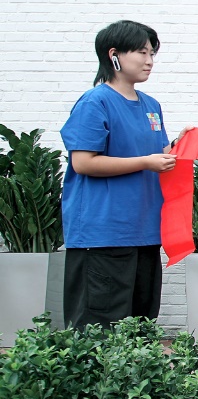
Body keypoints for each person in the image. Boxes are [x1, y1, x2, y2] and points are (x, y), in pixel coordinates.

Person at [61, 20, 184, 330]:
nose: (149, 61)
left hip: (143, 232)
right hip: (102, 235)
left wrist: (176, 148)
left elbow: (153, 154)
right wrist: (145, 161)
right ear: (114, 55)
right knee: (100, 329)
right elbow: (84, 163)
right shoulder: (95, 102)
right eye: (141, 52)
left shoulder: (151, 106)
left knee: (140, 326)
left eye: (152, 54)